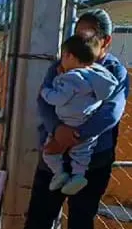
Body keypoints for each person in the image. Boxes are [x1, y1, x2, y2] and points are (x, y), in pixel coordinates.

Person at [0, 9, 129, 229]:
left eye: (88, 35)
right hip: (54, 152)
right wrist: (57, 132)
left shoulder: (115, 72)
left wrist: (76, 135)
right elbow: (44, 102)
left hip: (92, 160)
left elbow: (112, 112)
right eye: (78, 33)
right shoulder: (62, 64)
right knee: (38, 220)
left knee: (81, 224)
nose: (81, 41)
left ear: (105, 41)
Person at [39, 34, 118, 195]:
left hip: (65, 123)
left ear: (69, 56)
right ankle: (78, 176)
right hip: (86, 126)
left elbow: (59, 98)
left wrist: (46, 91)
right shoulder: (98, 76)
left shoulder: (71, 78)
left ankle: (59, 174)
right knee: (82, 155)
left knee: (49, 152)